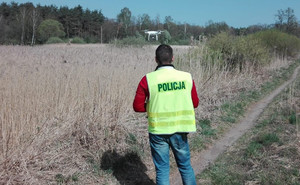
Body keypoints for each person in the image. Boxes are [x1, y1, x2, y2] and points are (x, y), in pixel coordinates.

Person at [133, 44, 199, 185]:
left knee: (162, 169)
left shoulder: (148, 80)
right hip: (180, 129)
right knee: (185, 167)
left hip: (158, 131)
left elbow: (137, 107)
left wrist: (153, 106)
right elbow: (195, 103)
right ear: (173, 58)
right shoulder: (186, 77)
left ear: (156, 59)